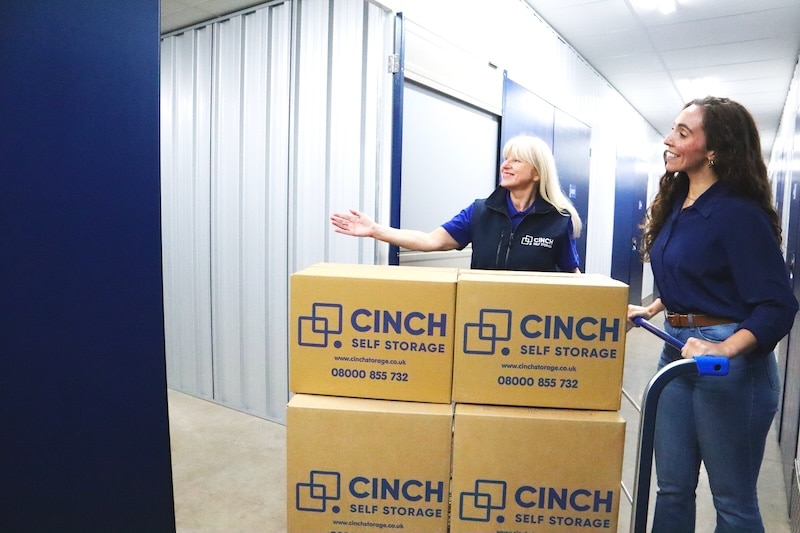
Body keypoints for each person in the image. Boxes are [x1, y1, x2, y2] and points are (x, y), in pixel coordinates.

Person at [627, 96, 798, 532]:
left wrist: (724, 348)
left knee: (732, 501)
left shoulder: (739, 214)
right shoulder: (678, 202)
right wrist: (656, 306)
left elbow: (778, 305)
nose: (668, 140)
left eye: (683, 133)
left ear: (714, 150)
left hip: (729, 366)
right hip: (677, 352)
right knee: (672, 489)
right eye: (673, 129)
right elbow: (694, 270)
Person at [330, 134, 582, 272]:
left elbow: (573, 277)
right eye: (505, 159)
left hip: (533, 323)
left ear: (537, 173)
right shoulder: (481, 211)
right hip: (484, 317)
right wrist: (375, 230)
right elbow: (431, 241)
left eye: (516, 160)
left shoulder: (557, 221)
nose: (505, 165)